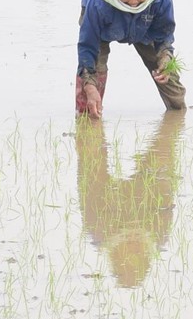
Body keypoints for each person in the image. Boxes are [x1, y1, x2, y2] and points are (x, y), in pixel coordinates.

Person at [77, 113, 184, 288]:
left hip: (138, 195)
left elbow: (165, 188)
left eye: (130, 251)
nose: (132, 246)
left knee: (162, 152)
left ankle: (175, 109)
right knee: (89, 134)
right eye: (134, 252)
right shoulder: (157, 236)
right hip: (108, 195)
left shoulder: (99, 234)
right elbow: (88, 179)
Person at [77, 0, 184, 117]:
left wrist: (165, 57)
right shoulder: (98, 0)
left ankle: (177, 120)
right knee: (89, 99)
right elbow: (87, 44)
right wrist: (90, 85)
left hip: (145, 28)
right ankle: (87, 127)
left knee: (171, 85)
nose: (133, 2)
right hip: (103, 28)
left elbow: (164, 34)